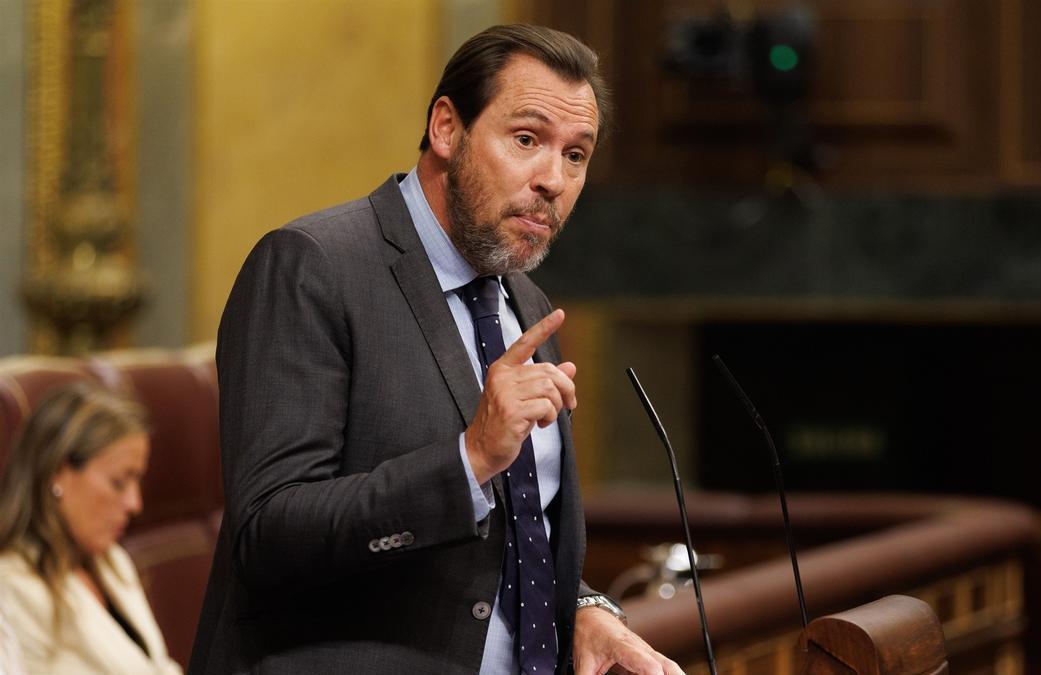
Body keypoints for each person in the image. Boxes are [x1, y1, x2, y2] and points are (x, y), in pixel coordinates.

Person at [189, 23, 682, 675]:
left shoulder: (527, 304)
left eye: (576, 154)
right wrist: (470, 456)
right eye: (528, 139)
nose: (552, 179)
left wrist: (584, 605)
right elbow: (267, 533)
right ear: (448, 128)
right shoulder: (314, 266)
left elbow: (511, 540)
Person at [0, 383, 182, 675]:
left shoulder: (112, 561)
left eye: (138, 481)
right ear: (58, 473)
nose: (135, 504)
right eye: (119, 483)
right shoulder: (14, 588)